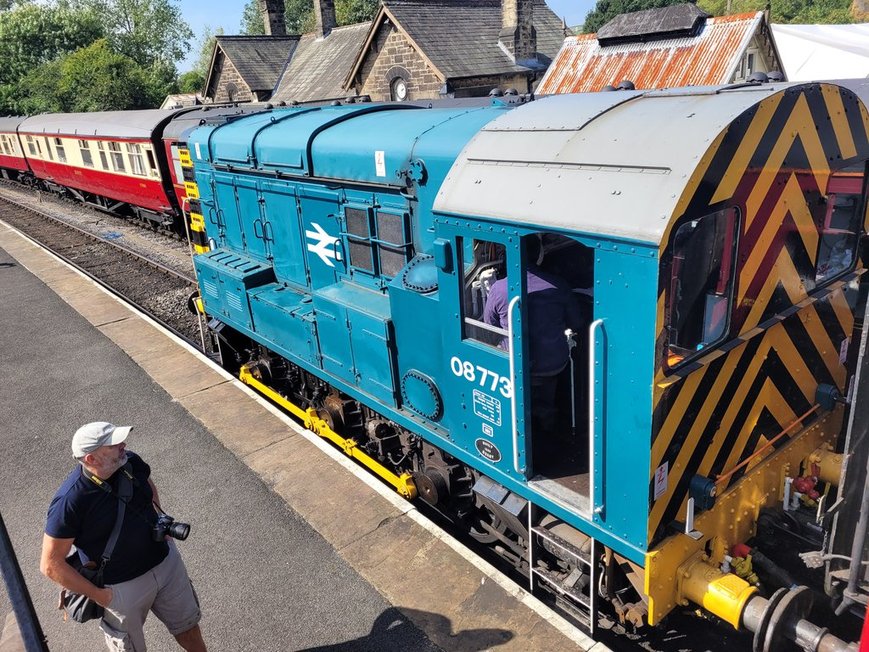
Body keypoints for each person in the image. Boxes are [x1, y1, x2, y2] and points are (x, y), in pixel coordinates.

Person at [40, 422, 206, 652]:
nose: (123, 445)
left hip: (166, 565)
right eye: (114, 444)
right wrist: (101, 596)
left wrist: (162, 521)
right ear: (91, 459)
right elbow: (50, 564)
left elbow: (148, 485)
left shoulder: (129, 462)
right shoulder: (70, 501)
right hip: (120, 587)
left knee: (188, 628)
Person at [483, 236, 586, 436]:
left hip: (514, 364)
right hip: (553, 363)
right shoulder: (559, 285)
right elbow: (576, 322)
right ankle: (549, 430)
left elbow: (489, 327)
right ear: (539, 255)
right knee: (547, 400)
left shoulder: (498, 289)